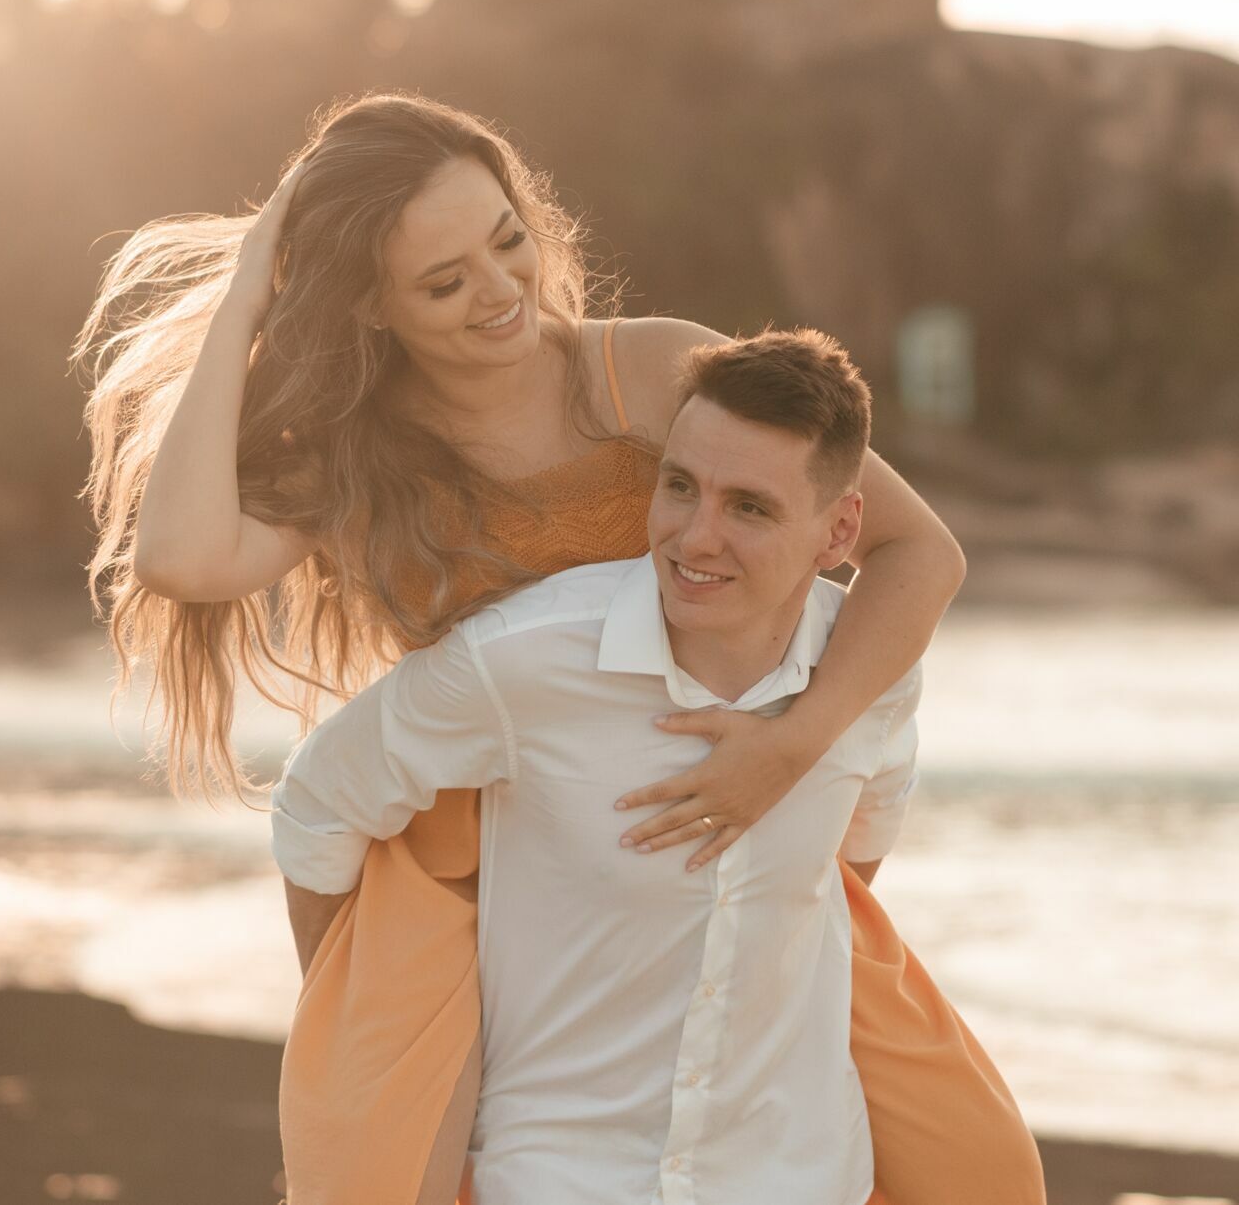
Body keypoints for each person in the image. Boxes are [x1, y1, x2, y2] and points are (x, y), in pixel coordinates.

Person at [74, 92, 1043, 1205]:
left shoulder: (649, 371)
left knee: (963, 1161)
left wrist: (788, 750)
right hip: (467, 848)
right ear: (372, 307)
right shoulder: (362, 448)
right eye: (444, 282)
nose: (501, 295)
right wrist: (253, 287)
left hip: (706, 785)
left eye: (507, 240)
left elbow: (919, 555)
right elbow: (183, 560)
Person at [272, 330, 937, 1203]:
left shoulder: (872, 674)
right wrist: (371, 1060)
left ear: (840, 530)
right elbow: (318, 807)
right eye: (680, 486)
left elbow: (852, 866)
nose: (696, 538)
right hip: (552, 1177)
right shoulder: (521, 661)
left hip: (799, 1176)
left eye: (750, 508)